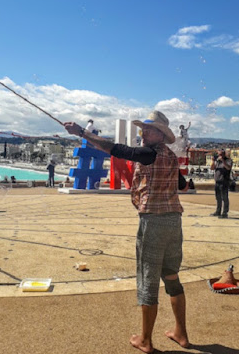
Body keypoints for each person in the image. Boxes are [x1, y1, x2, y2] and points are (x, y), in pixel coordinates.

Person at [64, 110, 189, 352]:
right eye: (142, 129)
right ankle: (181, 333)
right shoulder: (170, 157)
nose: (143, 133)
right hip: (175, 221)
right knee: (171, 275)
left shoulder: (148, 153)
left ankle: (145, 339)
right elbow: (182, 186)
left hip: (153, 222)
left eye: (149, 130)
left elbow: (116, 149)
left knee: (147, 280)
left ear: (161, 135)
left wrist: (81, 132)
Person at [210, 149, 233, 218]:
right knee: (218, 197)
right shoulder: (218, 161)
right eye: (218, 154)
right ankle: (218, 211)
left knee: (224, 197)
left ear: (224, 154)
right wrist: (213, 161)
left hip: (224, 181)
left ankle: (225, 212)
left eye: (220, 154)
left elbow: (228, 168)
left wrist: (223, 161)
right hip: (217, 181)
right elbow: (212, 168)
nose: (219, 156)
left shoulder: (228, 160)